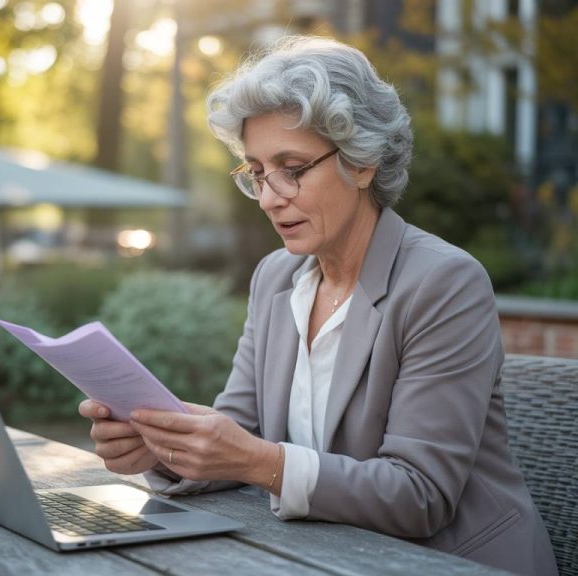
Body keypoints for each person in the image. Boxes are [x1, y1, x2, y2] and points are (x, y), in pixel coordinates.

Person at [78, 36, 557, 575]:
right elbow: (242, 430)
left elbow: (420, 494)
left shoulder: (444, 283)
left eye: (294, 168)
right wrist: (163, 448)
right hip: (324, 557)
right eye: (257, 172)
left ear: (363, 162)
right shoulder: (275, 278)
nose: (270, 196)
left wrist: (257, 459)